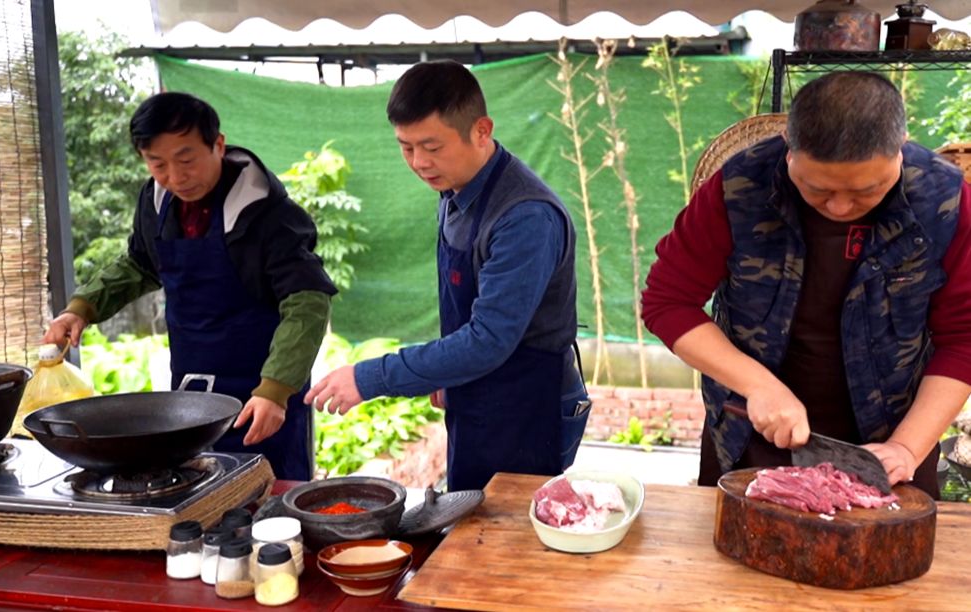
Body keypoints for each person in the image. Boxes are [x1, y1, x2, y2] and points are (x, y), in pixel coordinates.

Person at [641, 71, 971, 499]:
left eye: (866, 191)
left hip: (893, 441)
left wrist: (907, 446)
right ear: (789, 146)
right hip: (754, 432)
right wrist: (758, 385)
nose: (839, 206)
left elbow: (963, 338)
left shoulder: (945, 202)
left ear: (902, 147)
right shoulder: (740, 188)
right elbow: (667, 301)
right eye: (817, 189)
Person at [305, 60, 590, 492]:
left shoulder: (524, 217)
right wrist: (444, 372)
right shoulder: (455, 190)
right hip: (477, 390)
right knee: (469, 519)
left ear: (481, 130)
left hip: (526, 405)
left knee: (506, 539)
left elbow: (489, 339)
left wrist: (370, 377)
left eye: (432, 147)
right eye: (406, 147)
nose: (419, 162)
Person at [43, 92, 337, 480]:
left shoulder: (269, 214)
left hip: (260, 390)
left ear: (218, 144)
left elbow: (307, 301)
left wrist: (276, 389)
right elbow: (141, 264)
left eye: (186, 159)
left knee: (267, 495)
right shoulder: (156, 201)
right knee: (193, 486)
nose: (175, 177)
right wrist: (81, 308)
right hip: (189, 390)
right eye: (157, 164)